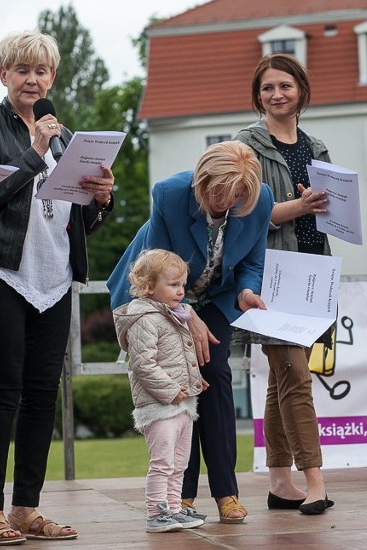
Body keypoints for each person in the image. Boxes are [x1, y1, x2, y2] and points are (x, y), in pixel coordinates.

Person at [0, 30, 114, 545]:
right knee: (4, 390)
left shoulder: (67, 137)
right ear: (3, 74)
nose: (32, 79)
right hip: (0, 270)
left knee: (43, 393)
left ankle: (26, 507)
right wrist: (33, 151)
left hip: (53, 277)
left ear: (53, 77)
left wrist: (102, 199)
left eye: (41, 71)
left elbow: (75, 223)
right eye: (22, 70)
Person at [108, 140, 272, 524]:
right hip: (158, 296)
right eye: (218, 195)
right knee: (175, 384)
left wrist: (247, 291)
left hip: (216, 297)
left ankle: (226, 492)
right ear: (202, 182)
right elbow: (158, 268)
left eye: (236, 198)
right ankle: (179, 497)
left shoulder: (259, 199)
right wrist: (185, 313)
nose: (227, 205)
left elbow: (253, 259)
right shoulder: (168, 194)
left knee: (213, 372)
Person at [234, 53, 333, 515]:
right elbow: (246, 213)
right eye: (268, 87)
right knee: (295, 377)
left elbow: (336, 214)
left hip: (316, 270)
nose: (277, 94)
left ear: (302, 92)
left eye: (286, 86)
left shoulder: (317, 148)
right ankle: (315, 481)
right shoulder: (245, 146)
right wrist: (301, 207)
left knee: (281, 377)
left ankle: (279, 481)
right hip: (272, 273)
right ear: (258, 95)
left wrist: (335, 208)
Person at [113, 249, 209, 533]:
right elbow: (143, 364)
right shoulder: (144, 318)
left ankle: (175, 509)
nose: (181, 291)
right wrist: (170, 391)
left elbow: (178, 356)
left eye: (182, 285)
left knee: (180, 461)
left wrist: (194, 381)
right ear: (148, 286)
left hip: (182, 403)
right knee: (163, 462)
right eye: (173, 285)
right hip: (160, 405)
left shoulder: (172, 314)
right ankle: (157, 512)